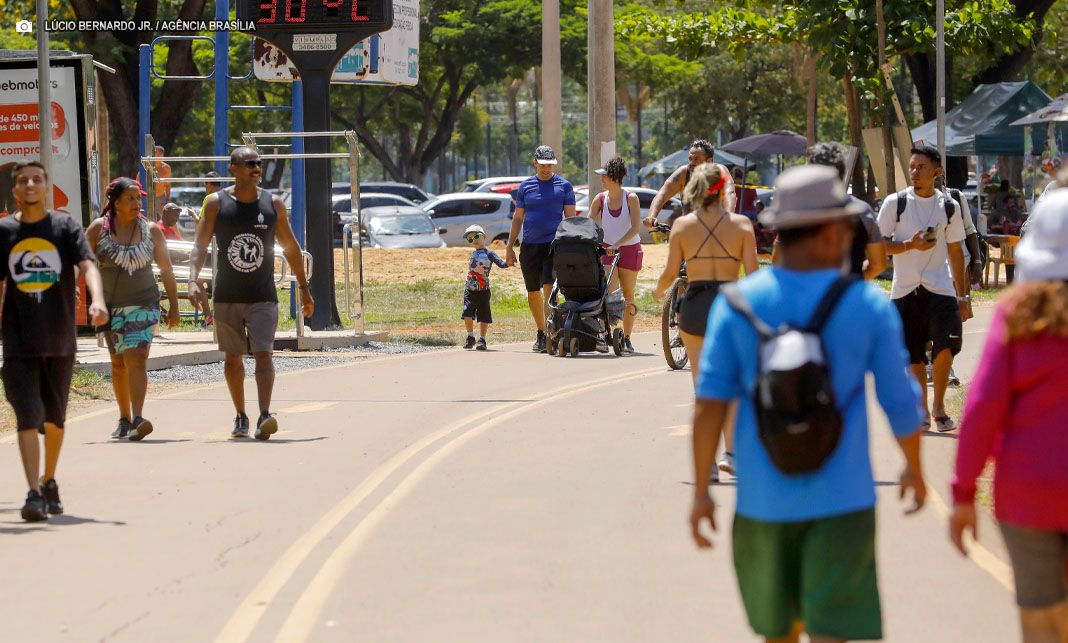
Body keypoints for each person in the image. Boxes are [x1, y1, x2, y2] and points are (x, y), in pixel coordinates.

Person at [690, 165, 926, 643]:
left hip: (762, 504)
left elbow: (709, 406)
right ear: (831, 231)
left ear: (780, 232)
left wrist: (700, 491)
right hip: (844, 503)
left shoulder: (736, 305)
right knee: (830, 633)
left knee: (777, 634)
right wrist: (914, 469)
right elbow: (900, 400)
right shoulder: (866, 305)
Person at [950, 189, 1068, 643]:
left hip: (1028, 490)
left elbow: (983, 406)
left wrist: (963, 492)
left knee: (1039, 612)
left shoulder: (1017, 313)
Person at [0, 161, 109, 521]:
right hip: (18, 341)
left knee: (54, 420)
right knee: (28, 415)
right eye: (23, 181)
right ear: (16, 191)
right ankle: (33, 492)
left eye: (37, 179)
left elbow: (88, 265)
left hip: (59, 338)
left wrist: (97, 300)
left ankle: (49, 480)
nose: (30, 184)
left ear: (45, 187)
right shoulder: (6, 231)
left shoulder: (64, 227)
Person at [187, 146, 313, 440]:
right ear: (233, 168)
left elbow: (291, 247)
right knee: (233, 358)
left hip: (262, 295)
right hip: (227, 295)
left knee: (264, 353)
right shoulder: (216, 204)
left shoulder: (273, 204)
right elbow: (200, 245)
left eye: (259, 163)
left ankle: (265, 414)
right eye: (250, 163)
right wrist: (192, 280)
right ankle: (241, 414)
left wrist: (304, 288)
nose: (256, 168)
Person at [653, 163, 757, 477]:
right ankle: (732, 454)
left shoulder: (683, 226)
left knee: (703, 387)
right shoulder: (741, 226)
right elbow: (753, 275)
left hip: (695, 305)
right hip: (730, 305)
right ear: (722, 190)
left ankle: (708, 463)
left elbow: (670, 273)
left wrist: (658, 291)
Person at [877, 144, 971, 433]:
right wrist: (910, 245)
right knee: (913, 353)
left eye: (921, 167)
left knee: (946, 347)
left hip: (940, 288)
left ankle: (939, 406)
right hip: (904, 289)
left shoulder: (949, 207)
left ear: (937, 172)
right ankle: (922, 410)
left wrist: (963, 296)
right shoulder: (895, 203)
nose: (915, 172)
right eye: (912, 167)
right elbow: (879, 245)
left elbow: (955, 251)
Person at [87, 178, 181, 441]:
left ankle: (138, 417)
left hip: (145, 303)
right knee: (118, 363)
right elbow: (83, 263)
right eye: (130, 198)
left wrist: (174, 306)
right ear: (115, 203)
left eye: (138, 198)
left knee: (136, 357)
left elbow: (166, 270)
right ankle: (124, 418)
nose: (136, 203)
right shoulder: (98, 229)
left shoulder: (151, 231)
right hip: (110, 307)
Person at [772, 143, 887, 280]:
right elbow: (878, 265)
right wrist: (850, 282)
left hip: (800, 289)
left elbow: (777, 260)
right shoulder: (862, 211)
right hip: (846, 292)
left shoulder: (797, 210)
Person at [505, 145, 576, 353]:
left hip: (554, 246)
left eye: (549, 165)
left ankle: (552, 332)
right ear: (535, 163)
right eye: (542, 165)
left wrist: (572, 244)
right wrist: (509, 246)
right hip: (529, 246)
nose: (546, 169)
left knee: (549, 288)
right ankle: (541, 332)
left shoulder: (564, 186)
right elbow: (518, 218)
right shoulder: (525, 187)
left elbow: (570, 218)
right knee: (533, 292)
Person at [587, 157, 643, 353]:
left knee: (628, 294)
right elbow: (588, 223)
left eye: (604, 176)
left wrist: (617, 244)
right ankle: (605, 335)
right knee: (608, 294)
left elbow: (635, 228)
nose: (601, 179)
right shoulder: (600, 199)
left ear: (614, 176)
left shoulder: (631, 198)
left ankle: (626, 338)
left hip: (629, 250)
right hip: (608, 251)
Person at [643, 139, 715, 229]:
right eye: (690, 158)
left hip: (716, 231)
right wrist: (651, 217)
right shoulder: (683, 173)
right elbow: (662, 195)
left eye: (696, 159)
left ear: (709, 161)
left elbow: (730, 194)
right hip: (689, 231)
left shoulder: (720, 173)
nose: (692, 163)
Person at [461, 224, 508, 351]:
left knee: (483, 315)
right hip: (469, 290)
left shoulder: (489, 253)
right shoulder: (473, 253)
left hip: (483, 290)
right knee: (467, 312)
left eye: (476, 236)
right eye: (470, 239)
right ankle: (470, 336)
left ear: (484, 237)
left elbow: (501, 263)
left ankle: (482, 339)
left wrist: (508, 262)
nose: (474, 240)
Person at [153, 145, 172, 213]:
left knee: (164, 217)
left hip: (161, 197)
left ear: (162, 155)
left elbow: (167, 184)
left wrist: (168, 199)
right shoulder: (147, 166)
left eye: (159, 154)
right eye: (155, 153)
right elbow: (138, 181)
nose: (157, 156)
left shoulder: (166, 168)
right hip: (149, 197)